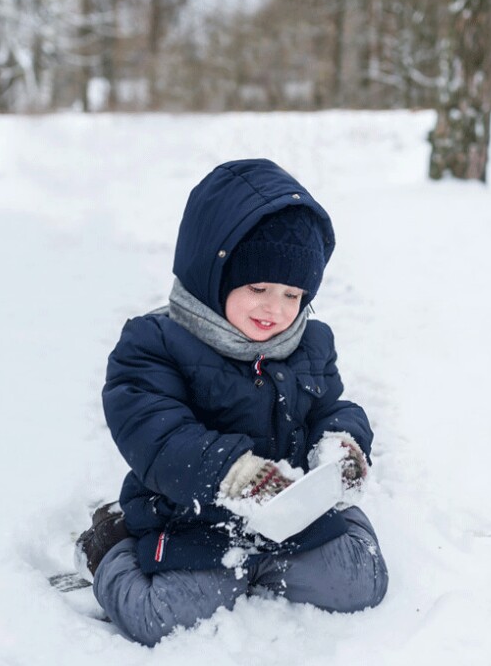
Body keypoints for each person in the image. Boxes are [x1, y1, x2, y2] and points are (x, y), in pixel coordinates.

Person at [74, 159, 388, 646]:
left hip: (288, 516)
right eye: (258, 288)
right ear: (213, 276)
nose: (275, 310)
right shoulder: (154, 343)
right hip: (192, 519)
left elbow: (332, 406)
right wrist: (233, 475)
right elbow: (156, 435)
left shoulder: (310, 342)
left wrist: (343, 444)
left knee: (360, 580)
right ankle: (109, 544)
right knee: (162, 616)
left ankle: (277, 558)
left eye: (292, 294)